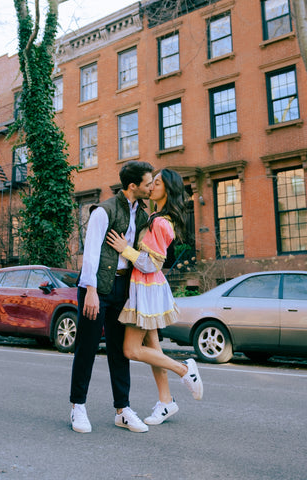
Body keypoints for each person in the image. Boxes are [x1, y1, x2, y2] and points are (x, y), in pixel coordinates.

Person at [106, 169, 203, 426]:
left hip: (147, 288)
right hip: (143, 288)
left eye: (156, 183)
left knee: (131, 349)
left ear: (167, 190)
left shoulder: (161, 223)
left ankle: (185, 370)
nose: (151, 186)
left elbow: (152, 264)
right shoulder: (154, 216)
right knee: (153, 348)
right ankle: (166, 401)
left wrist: (124, 249)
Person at [70, 160, 154, 433]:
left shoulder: (142, 214)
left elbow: (144, 256)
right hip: (96, 287)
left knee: (120, 351)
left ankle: (123, 410)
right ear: (133, 186)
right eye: (148, 183)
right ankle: (78, 407)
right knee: (87, 347)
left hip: (123, 288)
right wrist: (91, 290)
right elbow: (92, 252)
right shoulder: (104, 211)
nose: (151, 186)